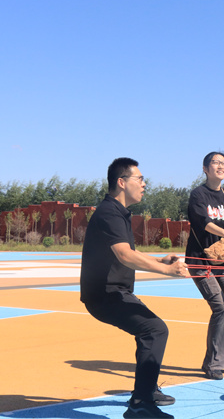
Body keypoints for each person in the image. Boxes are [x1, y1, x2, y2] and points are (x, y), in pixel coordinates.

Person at [80, 157, 189, 419]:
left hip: (114, 292)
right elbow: (124, 255)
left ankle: (146, 391)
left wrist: (159, 260)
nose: (144, 184)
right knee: (154, 329)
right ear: (121, 182)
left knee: (151, 330)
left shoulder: (118, 212)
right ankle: (140, 404)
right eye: (139, 179)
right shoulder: (109, 213)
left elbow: (130, 251)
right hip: (105, 295)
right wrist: (167, 271)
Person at [186, 151, 224, 381]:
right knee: (220, 307)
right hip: (200, 261)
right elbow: (202, 221)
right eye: (215, 162)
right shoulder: (198, 194)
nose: (220, 166)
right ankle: (213, 363)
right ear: (205, 168)